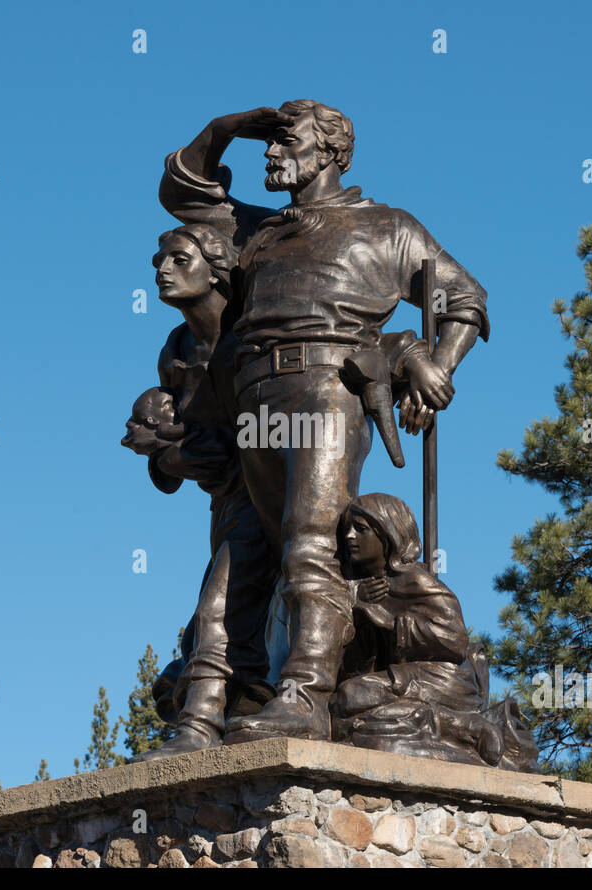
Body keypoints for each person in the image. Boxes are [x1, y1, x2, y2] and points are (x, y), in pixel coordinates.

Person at [158, 100, 489, 742]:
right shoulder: (257, 230)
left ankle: (306, 697)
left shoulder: (389, 227)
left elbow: (465, 298)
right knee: (248, 549)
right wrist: (227, 127)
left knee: (313, 542)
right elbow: (183, 193)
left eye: (288, 142)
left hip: (327, 386)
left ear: (330, 151)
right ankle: (215, 706)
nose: (272, 154)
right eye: (270, 144)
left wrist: (438, 368)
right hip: (252, 395)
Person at [121, 224, 278, 760]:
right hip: (226, 500)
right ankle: (246, 711)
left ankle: (198, 727)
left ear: (216, 270)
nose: (163, 270)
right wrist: (163, 449)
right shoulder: (175, 352)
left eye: (178, 259)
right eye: (158, 262)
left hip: (273, 489)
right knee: (230, 618)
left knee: (220, 608)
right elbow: (172, 459)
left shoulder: (253, 334)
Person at [331, 493, 504, 767]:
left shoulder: (413, 579)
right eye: (347, 530)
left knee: (351, 697)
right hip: (400, 677)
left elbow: (455, 639)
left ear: (387, 533)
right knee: (346, 698)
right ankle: (430, 722)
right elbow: (357, 663)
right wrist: (359, 607)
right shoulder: (363, 587)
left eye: (360, 529)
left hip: (441, 678)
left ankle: (462, 726)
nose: (350, 536)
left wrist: (391, 624)